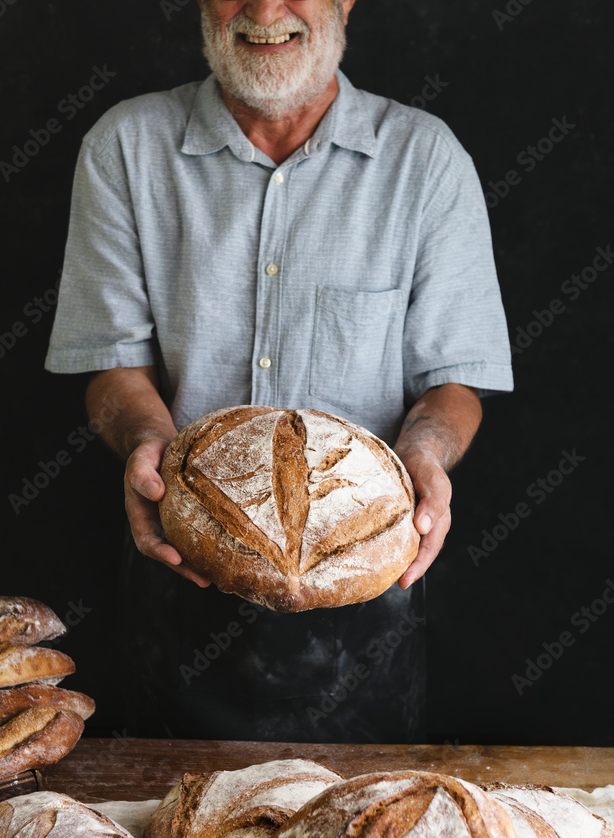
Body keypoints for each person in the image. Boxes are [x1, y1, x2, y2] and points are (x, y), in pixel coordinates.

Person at [45, 0, 513, 742]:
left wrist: (424, 454)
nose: (264, 11)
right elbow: (112, 365)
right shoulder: (126, 147)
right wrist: (145, 442)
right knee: (168, 831)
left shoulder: (424, 160)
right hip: (182, 569)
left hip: (365, 596)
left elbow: (453, 381)